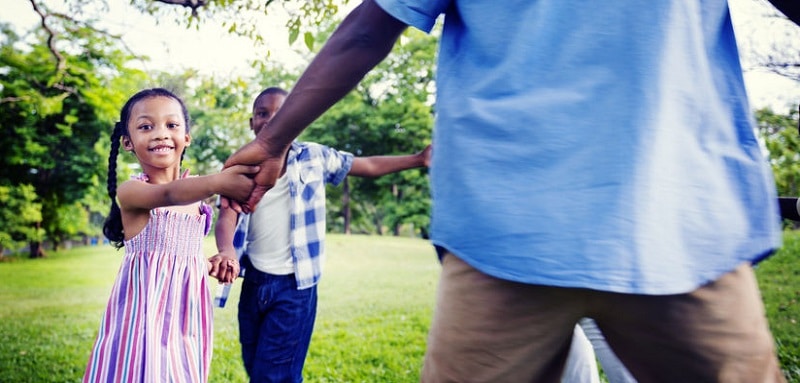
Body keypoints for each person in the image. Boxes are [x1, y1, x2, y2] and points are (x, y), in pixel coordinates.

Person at [223, 1, 800, 382]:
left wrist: (281, 140)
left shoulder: (319, 160)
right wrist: (273, 143)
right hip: (508, 241)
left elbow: (366, 140)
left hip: (676, 229)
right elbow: (371, 26)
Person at [210, 86, 432, 383]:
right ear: (251, 122)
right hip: (253, 283)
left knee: (275, 376)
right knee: (255, 365)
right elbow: (227, 214)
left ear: (297, 119)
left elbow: (366, 165)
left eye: (282, 113)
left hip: (295, 287)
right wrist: (226, 250)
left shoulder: (315, 157)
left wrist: (417, 159)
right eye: (262, 113)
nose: (271, 120)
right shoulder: (239, 165)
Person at [83, 88, 256, 383]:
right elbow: (168, 193)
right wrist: (220, 181)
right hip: (143, 320)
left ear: (186, 137)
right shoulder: (132, 191)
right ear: (128, 142)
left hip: (185, 317)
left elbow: (184, 258)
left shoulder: (198, 203)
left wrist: (219, 258)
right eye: (146, 126)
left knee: (180, 371)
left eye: (172, 125)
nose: (160, 134)